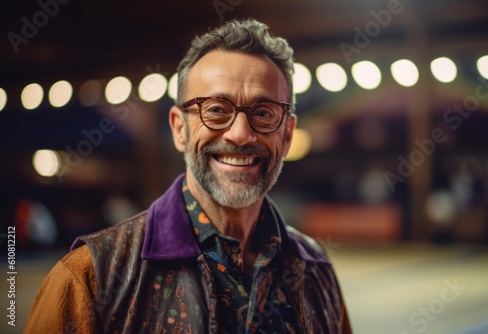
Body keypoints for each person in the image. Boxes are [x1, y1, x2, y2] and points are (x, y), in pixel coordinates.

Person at [25, 18, 352, 333]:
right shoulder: (91, 278)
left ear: (287, 134)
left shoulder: (316, 271)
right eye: (215, 110)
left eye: (264, 113)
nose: (240, 134)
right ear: (179, 129)